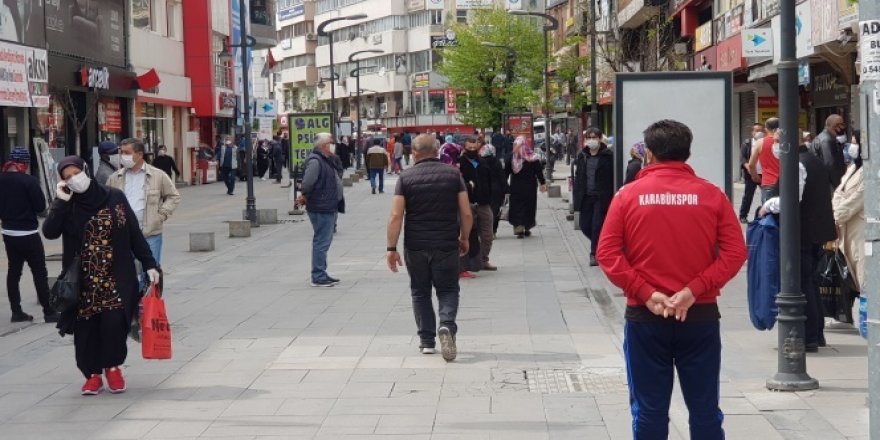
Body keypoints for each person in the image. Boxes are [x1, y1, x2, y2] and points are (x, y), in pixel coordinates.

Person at [596, 120, 747, 439]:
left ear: (648, 154)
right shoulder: (711, 195)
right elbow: (735, 253)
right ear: (687, 154)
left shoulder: (627, 196)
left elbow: (607, 254)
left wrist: (646, 292)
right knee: (705, 411)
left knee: (649, 410)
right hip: (700, 316)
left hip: (645, 318)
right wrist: (693, 291)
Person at [42, 156, 161, 395]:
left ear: (86, 170)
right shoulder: (69, 204)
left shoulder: (114, 197)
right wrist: (59, 202)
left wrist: (150, 264)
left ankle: (113, 367)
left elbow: (133, 234)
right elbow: (50, 232)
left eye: (76, 172)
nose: (74, 179)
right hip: (83, 282)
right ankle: (92, 375)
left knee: (114, 325)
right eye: (67, 177)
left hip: (116, 276)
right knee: (86, 331)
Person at [386, 134, 473, 361]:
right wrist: (464, 237)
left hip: (415, 244)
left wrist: (391, 248)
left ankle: (426, 341)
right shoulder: (453, 175)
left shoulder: (405, 178)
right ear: (437, 151)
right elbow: (465, 211)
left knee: (420, 291)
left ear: (413, 154)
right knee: (447, 289)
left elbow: (396, 215)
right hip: (446, 242)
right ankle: (446, 325)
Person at [759, 131, 837, 351]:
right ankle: (816, 334)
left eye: (775, 142)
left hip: (801, 234)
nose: (772, 146)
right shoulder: (813, 160)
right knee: (809, 282)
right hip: (814, 231)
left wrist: (767, 206)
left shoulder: (798, 165)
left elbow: (791, 200)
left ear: (785, 145)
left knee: (801, 284)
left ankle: (808, 337)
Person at [0, 147, 57, 323]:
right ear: (24, 163)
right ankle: (49, 312)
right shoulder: (29, 181)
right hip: (28, 233)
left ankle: (16, 311)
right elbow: (41, 207)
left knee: (13, 271)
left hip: (8, 232)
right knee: (39, 271)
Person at [106, 138, 181, 266]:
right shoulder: (115, 178)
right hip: (123, 235)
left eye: (127, 153)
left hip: (149, 234)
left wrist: (161, 215)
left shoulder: (158, 175)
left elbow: (173, 196)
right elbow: (106, 201)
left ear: (140, 154)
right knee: (127, 274)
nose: (123, 156)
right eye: (121, 152)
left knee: (150, 273)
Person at [298, 133, 344, 287]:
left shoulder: (326, 159)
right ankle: (318, 276)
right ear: (323, 145)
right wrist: (304, 195)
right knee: (321, 241)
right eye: (330, 143)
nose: (333, 145)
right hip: (321, 205)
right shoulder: (316, 161)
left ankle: (321, 272)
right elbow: (307, 183)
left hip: (327, 204)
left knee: (324, 240)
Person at [831, 130, 864, 324]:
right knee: (853, 274)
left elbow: (857, 199)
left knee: (863, 273)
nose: (851, 147)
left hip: (859, 228)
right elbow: (839, 192)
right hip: (845, 229)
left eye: (854, 142)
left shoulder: (871, 170)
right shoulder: (853, 166)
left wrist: (836, 216)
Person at [574, 127, 614, 266]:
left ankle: (594, 253)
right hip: (586, 196)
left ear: (599, 138)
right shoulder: (582, 156)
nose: (592, 140)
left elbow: (612, 178)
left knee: (597, 225)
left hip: (601, 197)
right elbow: (578, 178)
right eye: (589, 137)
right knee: (584, 226)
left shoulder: (608, 156)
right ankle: (602, 244)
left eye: (594, 137)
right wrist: (576, 199)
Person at [459, 135, 497, 271]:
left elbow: (489, 180)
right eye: (469, 148)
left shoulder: (482, 162)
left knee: (487, 235)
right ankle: (466, 262)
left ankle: (483, 259)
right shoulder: (459, 163)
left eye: (474, 148)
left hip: (483, 203)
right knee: (467, 234)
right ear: (464, 147)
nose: (472, 150)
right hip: (467, 204)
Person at [506, 136, 546, 239]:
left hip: (525, 187)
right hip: (521, 187)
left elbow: (539, 172)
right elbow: (505, 173)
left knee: (525, 207)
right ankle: (521, 227)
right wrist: (504, 187)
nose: (516, 148)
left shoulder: (531, 158)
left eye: (518, 145)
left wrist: (542, 183)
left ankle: (524, 226)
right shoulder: (513, 157)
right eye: (515, 145)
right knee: (520, 207)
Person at [748, 117, 780, 202]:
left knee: (768, 212)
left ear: (766, 129)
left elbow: (751, 164)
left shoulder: (760, 142)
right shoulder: (787, 142)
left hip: (769, 183)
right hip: (787, 183)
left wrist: (755, 176)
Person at [811, 114, 847, 188]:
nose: (844, 127)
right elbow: (830, 164)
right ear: (836, 126)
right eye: (842, 124)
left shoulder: (824, 138)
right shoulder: (827, 140)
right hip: (829, 184)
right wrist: (839, 186)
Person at [738, 124, 764, 222]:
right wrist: (750, 170)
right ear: (752, 132)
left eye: (761, 130)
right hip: (750, 174)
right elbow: (743, 158)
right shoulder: (747, 143)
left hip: (763, 174)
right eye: (756, 130)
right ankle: (743, 216)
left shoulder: (765, 142)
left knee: (766, 195)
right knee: (748, 196)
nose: (759, 132)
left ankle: (765, 215)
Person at [481, 143, 508, 235]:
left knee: (484, 210)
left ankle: (486, 230)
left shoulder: (480, 162)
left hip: (484, 188)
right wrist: (506, 190)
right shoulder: (497, 162)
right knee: (495, 210)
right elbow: (502, 176)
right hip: (496, 189)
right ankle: (493, 230)